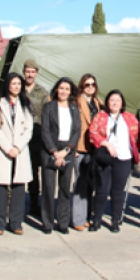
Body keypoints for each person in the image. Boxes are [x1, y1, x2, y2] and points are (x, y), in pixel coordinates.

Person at [89, 89, 140, 232]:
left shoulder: (130, 117)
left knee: (117, 191)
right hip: (105, 157)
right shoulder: (101, 116)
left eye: (118, 100)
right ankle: (97, 219)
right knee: (102, 190)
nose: (115, 103)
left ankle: (115, 220)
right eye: (112, 100)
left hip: (124, 158)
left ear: (122, 102)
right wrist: (106, 144)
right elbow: (92, 132)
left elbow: (138, 135)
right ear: (107, 102)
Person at [0, 72, 34, 235]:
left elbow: (29, 129)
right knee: (2, 187)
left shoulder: (25, 103)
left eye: (18, 84)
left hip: (20, 150)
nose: (16, 86)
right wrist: (7, 147)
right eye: (13, 83)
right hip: (4, 149)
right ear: (7, 84)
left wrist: (18, 146)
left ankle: (16, 222)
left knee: (18, 186)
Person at [40, 77, 82, 234]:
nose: (63, 91)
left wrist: (66, 151)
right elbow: (44, 130)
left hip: (67, 150)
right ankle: (47, 223)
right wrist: (54, 151)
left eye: (67, 89)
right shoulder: (49, 107)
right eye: (61, 88)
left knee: (64, 188)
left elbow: (77, 130)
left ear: (70, 92)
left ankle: (63, 222)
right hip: (50, 150)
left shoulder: (73, 108)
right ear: (56, 89)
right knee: (48, 188)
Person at [72, 73, 103, 230]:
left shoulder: (98, 103)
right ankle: (78, 219)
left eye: (93, 84)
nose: (90, 87)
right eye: (87, 84)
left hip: (94, 148)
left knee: (91, 183)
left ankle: (87, 216)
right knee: (80, 183)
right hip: (80, 147)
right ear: (82, 86)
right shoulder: (76, 102)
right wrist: (73, 147)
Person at [22, 59, 50, 218]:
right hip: (19, 136)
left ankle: (33, 204)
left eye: (33, 72)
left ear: (36, 73)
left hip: (36, 136)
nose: (30, 74)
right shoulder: (17, 89)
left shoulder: (42, 92)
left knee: (34, 172)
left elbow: (47, 115)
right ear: (24, 72)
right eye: (28, 71)